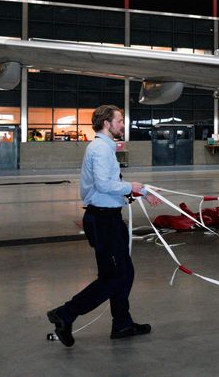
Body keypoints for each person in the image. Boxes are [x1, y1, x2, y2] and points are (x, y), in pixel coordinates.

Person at [47, 104, 161, 347]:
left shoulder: (105, 148)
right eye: (119, 120)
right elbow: (103, 185)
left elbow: (110, 186)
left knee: (123, 273)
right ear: (107, 124)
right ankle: (66, 313)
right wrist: (133, 186)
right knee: (115, 277)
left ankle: (122, 323)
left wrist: (138, 192)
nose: (122, 124)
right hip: (102, 220)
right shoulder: (100, 149)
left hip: (108, 217)